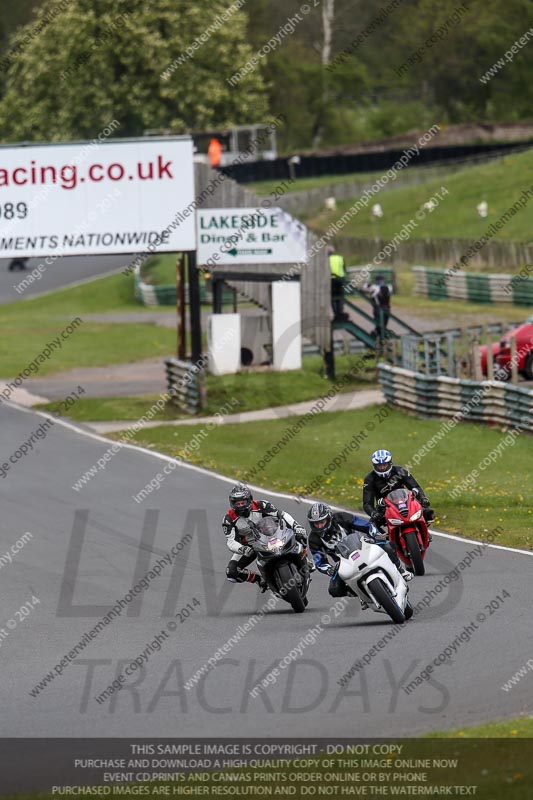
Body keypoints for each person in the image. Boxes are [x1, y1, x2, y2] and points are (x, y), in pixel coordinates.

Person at [307, 502, 412, 608]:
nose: (319, 526)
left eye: (322, 522)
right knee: (334, 590)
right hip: (344, 562)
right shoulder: (314, 539)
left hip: (363, 545)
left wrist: (376, 534)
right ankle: (361, 594)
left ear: (329, 517)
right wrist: (329, 569)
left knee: (388, 545)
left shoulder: (341, 517)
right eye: (316, 523)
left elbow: (366, 525)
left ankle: (401, 570)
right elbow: (319, 561)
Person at [222, 484, 310, 590]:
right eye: (237, 503)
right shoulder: (228, 519)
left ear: (249, 500)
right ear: (232, 503)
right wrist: (242, 549)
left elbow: (281, 514)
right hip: (250, 546)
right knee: (231, 573)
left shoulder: (261, 505)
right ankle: (260, 580)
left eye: (243, 502)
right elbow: (230, 541)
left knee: (300, 533)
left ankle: (306, 559)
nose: (240, 506)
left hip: (271, 535)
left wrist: (296, 526)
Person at [363, 449, 435, 538]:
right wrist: (373, 513)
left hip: (406, 501)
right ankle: (385, 541)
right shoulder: (369, 479)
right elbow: (367, 503)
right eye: (379, 466)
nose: (382, 468)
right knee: (371, 528)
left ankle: (423, 529)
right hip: (385, 508)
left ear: (390, 463)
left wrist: (422, 498)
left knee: (428, 511)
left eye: (384, 465)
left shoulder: (400, 471)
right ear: (374, 466)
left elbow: (414, 487)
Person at [362, 274, 392, 342]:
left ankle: (378, 340)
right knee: (383, 326)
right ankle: (383, 340)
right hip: (387, 309)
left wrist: (367, 283)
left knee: (379, 327)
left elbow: (364, 290)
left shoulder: (374, 288)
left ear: (376, 281)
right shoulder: (389, 287)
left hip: (378, 310)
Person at [328, 246, 347, 321]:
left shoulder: (326, 259)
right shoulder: (340, 258)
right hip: (340, 279)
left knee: (333, 297)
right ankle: (340, 312)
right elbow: (345, 269)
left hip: (331, 280)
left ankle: (335, 312)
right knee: (340, 296)